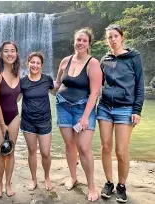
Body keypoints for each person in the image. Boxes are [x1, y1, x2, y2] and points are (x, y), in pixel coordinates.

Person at [97, 24, 144, 203]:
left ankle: (122, 185)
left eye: (115, 36)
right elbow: (98, 83)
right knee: (106, 147)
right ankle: (109, 182)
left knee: (121, 150)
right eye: (109, 37)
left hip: (125, 108)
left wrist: (137, 110)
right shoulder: (106, 59)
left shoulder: (134, 57)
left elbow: (140, 84)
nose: (112, 39)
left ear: (122, 37)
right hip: (104, 108)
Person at [54, 28, 102, 201]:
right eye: (78, 40)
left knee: (83, 147)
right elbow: (57, 83)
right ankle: (73, 177)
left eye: (84, 40)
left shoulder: (93, 63)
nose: (80, 43)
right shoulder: (65, 61)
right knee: (69, 145)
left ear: (89, 44)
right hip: (62, 106)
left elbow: (95, 92)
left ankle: (91, 186)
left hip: (84, 109)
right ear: (74, 41)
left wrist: (85, 117)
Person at [19, 52, 56, 191]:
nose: (35, 65)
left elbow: (56, 92)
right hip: (28, 122)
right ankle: (33, 179)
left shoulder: (47, 79)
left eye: (38, 63)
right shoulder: (22, 82)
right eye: (32, 62)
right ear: (27, 64)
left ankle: (47, 177)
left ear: (41, 66)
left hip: (45, 121)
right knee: (32, 151)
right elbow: (15, 99)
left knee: (45, 153)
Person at [0, 41, 21, 197]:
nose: (10, 54)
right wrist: (2, 124)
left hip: (14, 116)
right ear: (1, 54)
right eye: (6, 51)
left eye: (13, 51)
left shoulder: (19, 74)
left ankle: (8, 183)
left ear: (16, 54)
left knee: (11, 152)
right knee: (2, 152)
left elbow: (18, 96)